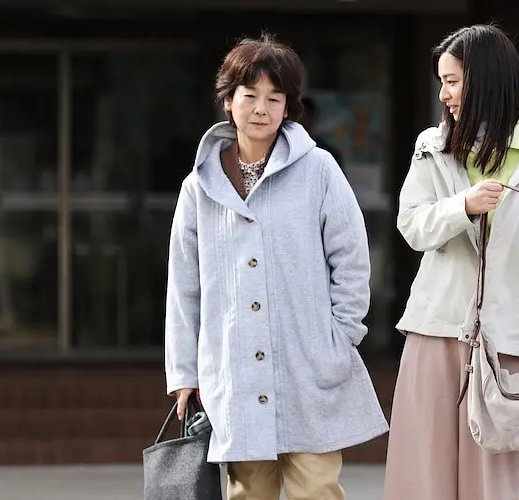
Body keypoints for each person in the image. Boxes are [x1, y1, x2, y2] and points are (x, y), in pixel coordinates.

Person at [164, 33, 388, 500]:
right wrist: (185, 374)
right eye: (250, 95)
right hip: (235, 369)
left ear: (288, 107)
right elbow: (184, 286)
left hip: (308, 365)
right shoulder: (199, 186)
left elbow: (351, 258)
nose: (261, 109)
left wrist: (340, 336)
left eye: (274, 98)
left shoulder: (318, 169)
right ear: (229, 101)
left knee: (317, 489)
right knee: (248, 492)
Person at [383, 24, 519, 500]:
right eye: (442, 82)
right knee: (424, 480)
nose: (444, 95)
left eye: (452, 81)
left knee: (495, 486)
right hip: (437, 333)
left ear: (485, 80)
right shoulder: (432, 146)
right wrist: (462, 206)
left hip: (510, 342)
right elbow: (412, 226)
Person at [300, 96, 345, 170]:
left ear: (313, 117)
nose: (302, 119)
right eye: (299, 116)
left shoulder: (328, 153)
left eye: (306, 115)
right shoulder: (285, 149)